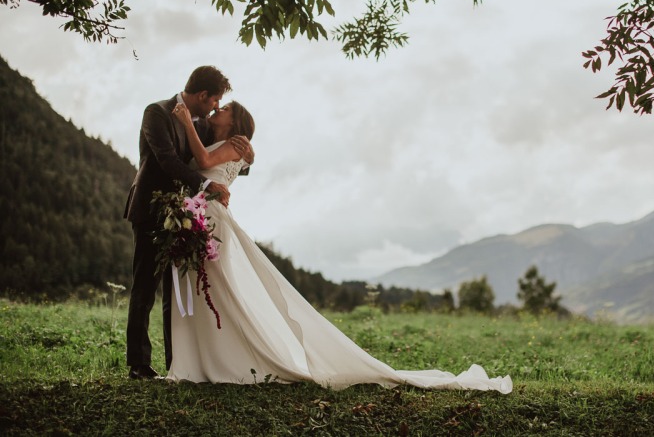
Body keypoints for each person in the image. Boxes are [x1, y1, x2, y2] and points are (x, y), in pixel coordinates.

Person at [166, 101, 513, 393]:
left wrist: (184, 120)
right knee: (204, 288)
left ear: (236, 123)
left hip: (210, 217)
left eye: (224, 108)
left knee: (219, 288)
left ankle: (230, 358)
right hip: (198, 214)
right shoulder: (229, 143)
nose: (218, 110)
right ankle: (202, 359)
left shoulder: (237, 143)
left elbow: (205, 162)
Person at [123, 66, 253, 380]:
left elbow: (220, 158)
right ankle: (139, 364)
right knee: (145, 285)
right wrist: (206, 187)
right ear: (201, 95)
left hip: (186, 215)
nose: (215, 107)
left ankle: (177, 362)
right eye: (214, 100)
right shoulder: (158, 112)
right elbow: (168, 160)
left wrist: (249, 153)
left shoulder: (203, 125)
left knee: (177, 291)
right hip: (153, 208)